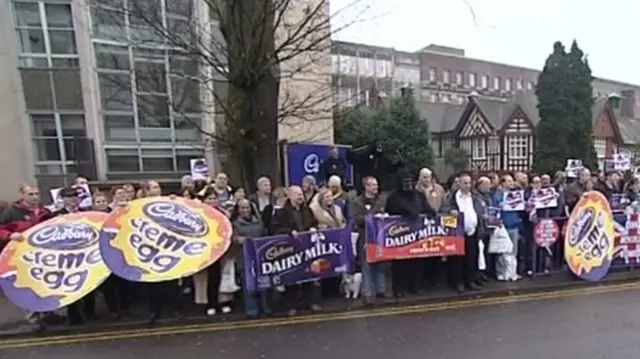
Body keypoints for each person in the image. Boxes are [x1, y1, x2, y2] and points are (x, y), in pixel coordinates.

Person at [0, 184, 54, 330]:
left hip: (44, 255)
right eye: (31, 194)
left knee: (46, 283)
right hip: (22, 256)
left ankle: (48, 312)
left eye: (36, 194)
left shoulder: (45, 211)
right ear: (22, 195)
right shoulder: (11, 212)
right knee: (28, 286)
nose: (35, 197)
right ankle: (33, 317)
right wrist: (10, 235)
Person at [385, 168, 437, 297]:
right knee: (400, 263)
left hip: (417, 235)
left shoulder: (419, 195)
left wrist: (431, 213)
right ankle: (400, 288)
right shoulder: (393, 197)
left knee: (417, 262)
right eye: (404, 182)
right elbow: (392, 210)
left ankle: (416, 285)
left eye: (409, 181)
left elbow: (427, 208)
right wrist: (408, 210)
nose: (408, 185)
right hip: (400, 236)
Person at [270, 186, 321, 315]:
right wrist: (289, 232)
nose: (301, 197)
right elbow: (274, 229)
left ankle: (310, 302)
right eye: (298, 195)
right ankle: (291, 305)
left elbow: (314, 223)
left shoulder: (307, 210)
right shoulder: (281, 212)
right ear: (290, 196)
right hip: (290, 249)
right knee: (292, 278)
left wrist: (313, 228)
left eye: (301, 195)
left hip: (306, 247)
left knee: (309, 276)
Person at [142, 181, 183, 325]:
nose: (157, 189)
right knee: (152, 283)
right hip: (149, 249)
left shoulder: (167, 202)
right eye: (154, 187)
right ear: (146, 191)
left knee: (171, 281)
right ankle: (155, 311)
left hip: (167, 246)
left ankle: (176, 309)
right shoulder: (139, 205)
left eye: (158, 187)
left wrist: (176, 201)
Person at [444, 173, 486, 293]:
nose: (468, 185)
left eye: (469, 183)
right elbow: (444, 210)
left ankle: (470, 281)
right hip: (458, 233)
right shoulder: (452, 198)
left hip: (473, 232)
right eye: (465, 183)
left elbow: (480, 210)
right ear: (459, 184)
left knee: (472, 258)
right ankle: (458, 282)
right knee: (458, 260)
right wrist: (450, 211)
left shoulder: (475, 196)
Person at [350, 176, 388, 304]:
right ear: (366, 186)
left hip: (380, 237)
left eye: (376, 185)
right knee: (367, 265)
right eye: (373, 185)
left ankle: (381, 290)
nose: (376, 187)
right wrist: (372, 217)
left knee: (380, 263)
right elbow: (356, 219)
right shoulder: (357, 202)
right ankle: (367, 292)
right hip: (365, 237)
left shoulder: (382, 200)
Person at [231, 199, 271, 318]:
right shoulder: (235, 224)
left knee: (264, 284)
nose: (245, 210)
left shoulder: (259, 222)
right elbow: (232, 238)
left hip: (260, 258)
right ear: (238, 210)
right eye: (242, 208)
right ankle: (252, 310)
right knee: (249, 286)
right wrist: (237, 239)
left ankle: (265, 308)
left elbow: (265, 235)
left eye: (247, 207)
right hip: (245, 259)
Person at [492, 175, 522, 281]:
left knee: (513, 251)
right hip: (503, 226)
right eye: (509, 181)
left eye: (512, 181)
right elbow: (494, 209)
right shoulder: (498, 195)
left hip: (514, 224)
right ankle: (500, 272)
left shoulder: (516, 194)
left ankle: (512, 272)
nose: (511, 183)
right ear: (503, 183)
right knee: (502, 250)